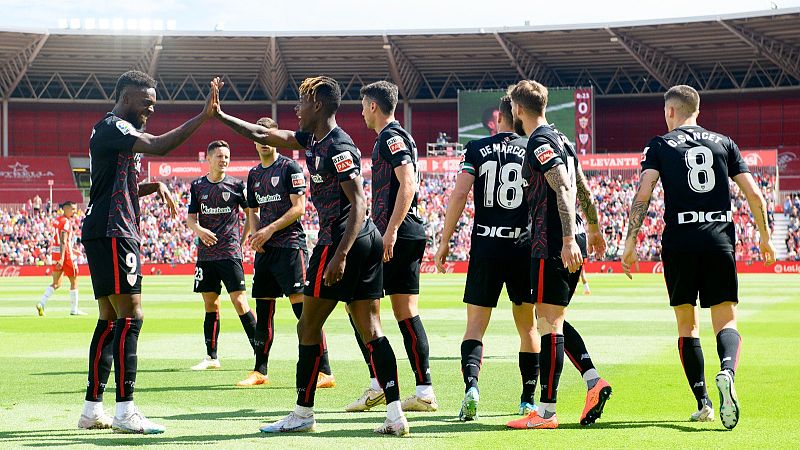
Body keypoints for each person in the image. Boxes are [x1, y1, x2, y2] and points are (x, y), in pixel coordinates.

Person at [213, 76, 409, 436]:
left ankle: (302, 414)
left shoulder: (338, 146)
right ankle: (395, 415)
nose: (295, 109)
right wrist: (221, 116)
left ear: (317, 105)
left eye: (301, 102)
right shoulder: (312, 140)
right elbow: (266, 136)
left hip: (344, 241)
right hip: (358, 241)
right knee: (370, 328)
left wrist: (340, 255)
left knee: (308, 325)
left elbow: (359, 203)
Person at [621, 85, 776, 430]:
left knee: (687, 325)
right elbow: (754, 194)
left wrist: (630, 241)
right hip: (719, 237)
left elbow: (643, 192)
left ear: (671, 112)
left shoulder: (659, 144)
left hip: (679, 240)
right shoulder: (724, 143)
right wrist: (764, 239)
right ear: (698, 111)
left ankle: (703, 401)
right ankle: (727, 370)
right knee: (726, 319)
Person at [78, 70, 215, 434]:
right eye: (146, 104)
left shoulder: (113, 133)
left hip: (106, 228)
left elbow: (115, 186)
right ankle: (126, 410)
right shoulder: (115, 127)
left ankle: (92, 409)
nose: (150, 111)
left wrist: (152, 186)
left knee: (109, 318)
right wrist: (203, 117)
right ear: (126, 99)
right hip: (113, 231)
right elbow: (159, 145)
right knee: (131, 315)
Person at [505, 80, 611, 430]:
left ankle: (546, 412)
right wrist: (592, 228)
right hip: (570, 232)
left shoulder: (538, 142)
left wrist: (567, 239)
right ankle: (593, 380)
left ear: (518, 110)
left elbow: (564, 186)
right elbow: (581, 184)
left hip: (552, 239)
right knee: (554, 318)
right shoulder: (563, 138)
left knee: (547, 323)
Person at [435, 95, 539, 420]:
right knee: (529, 329)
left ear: (498, 119)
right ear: (518, 117)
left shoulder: (476, 148)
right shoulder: (532, 147)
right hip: (522, 247)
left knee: (475, 328)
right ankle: (527, 400)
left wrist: (444, 242)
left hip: (485, 245)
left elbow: (460, 194)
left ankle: (472, 387)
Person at [345, 80, 436, 413]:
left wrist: (392, 230)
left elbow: (407, 182)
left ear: (373, 106)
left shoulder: (391, 137)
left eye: (362, 106)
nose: (361, 113)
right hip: (406, 231)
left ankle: (378, 384)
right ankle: (424, 391)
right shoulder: (399, 135)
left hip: (395, 233)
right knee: (403, 311)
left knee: (358, 306)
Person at [237, 117, 335, 389]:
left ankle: (325, 370)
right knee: (263, 311)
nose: (264, 141)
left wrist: (267, 231)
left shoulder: (289, 167)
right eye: (260, 136)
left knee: (304, 313)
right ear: (254, 140)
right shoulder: (254, 174)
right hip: (266, 251)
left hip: (290, 247)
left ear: (275, 137)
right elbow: (252, 210)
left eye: (269, 135)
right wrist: (256, 234)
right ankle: (260, 370)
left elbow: (299, 208)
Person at [187, 140, 257, 372]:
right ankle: (211, 357)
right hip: (206, 255)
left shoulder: (237, 185)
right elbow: (190, 218)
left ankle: (260, 352)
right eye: (219, 156)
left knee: (240, 302)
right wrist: (198, 230)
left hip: (229, 253)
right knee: (211, 304)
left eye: (226, 156)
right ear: (208, 159)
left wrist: (243, 238)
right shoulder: (197, 186)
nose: (224, 159)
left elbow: (250, 213)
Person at [37, 201, 86, 316]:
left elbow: (60, 241)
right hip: (65, 256)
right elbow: (63, 241)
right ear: (66, 209)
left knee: (56, 283)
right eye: (73, 209)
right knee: (74, 281)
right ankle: (74, 310)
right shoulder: (66, 222)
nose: (74, 211)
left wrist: (71, 250)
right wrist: (63, 258)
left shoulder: (57, 221)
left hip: (55, 254)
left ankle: (41, 303)